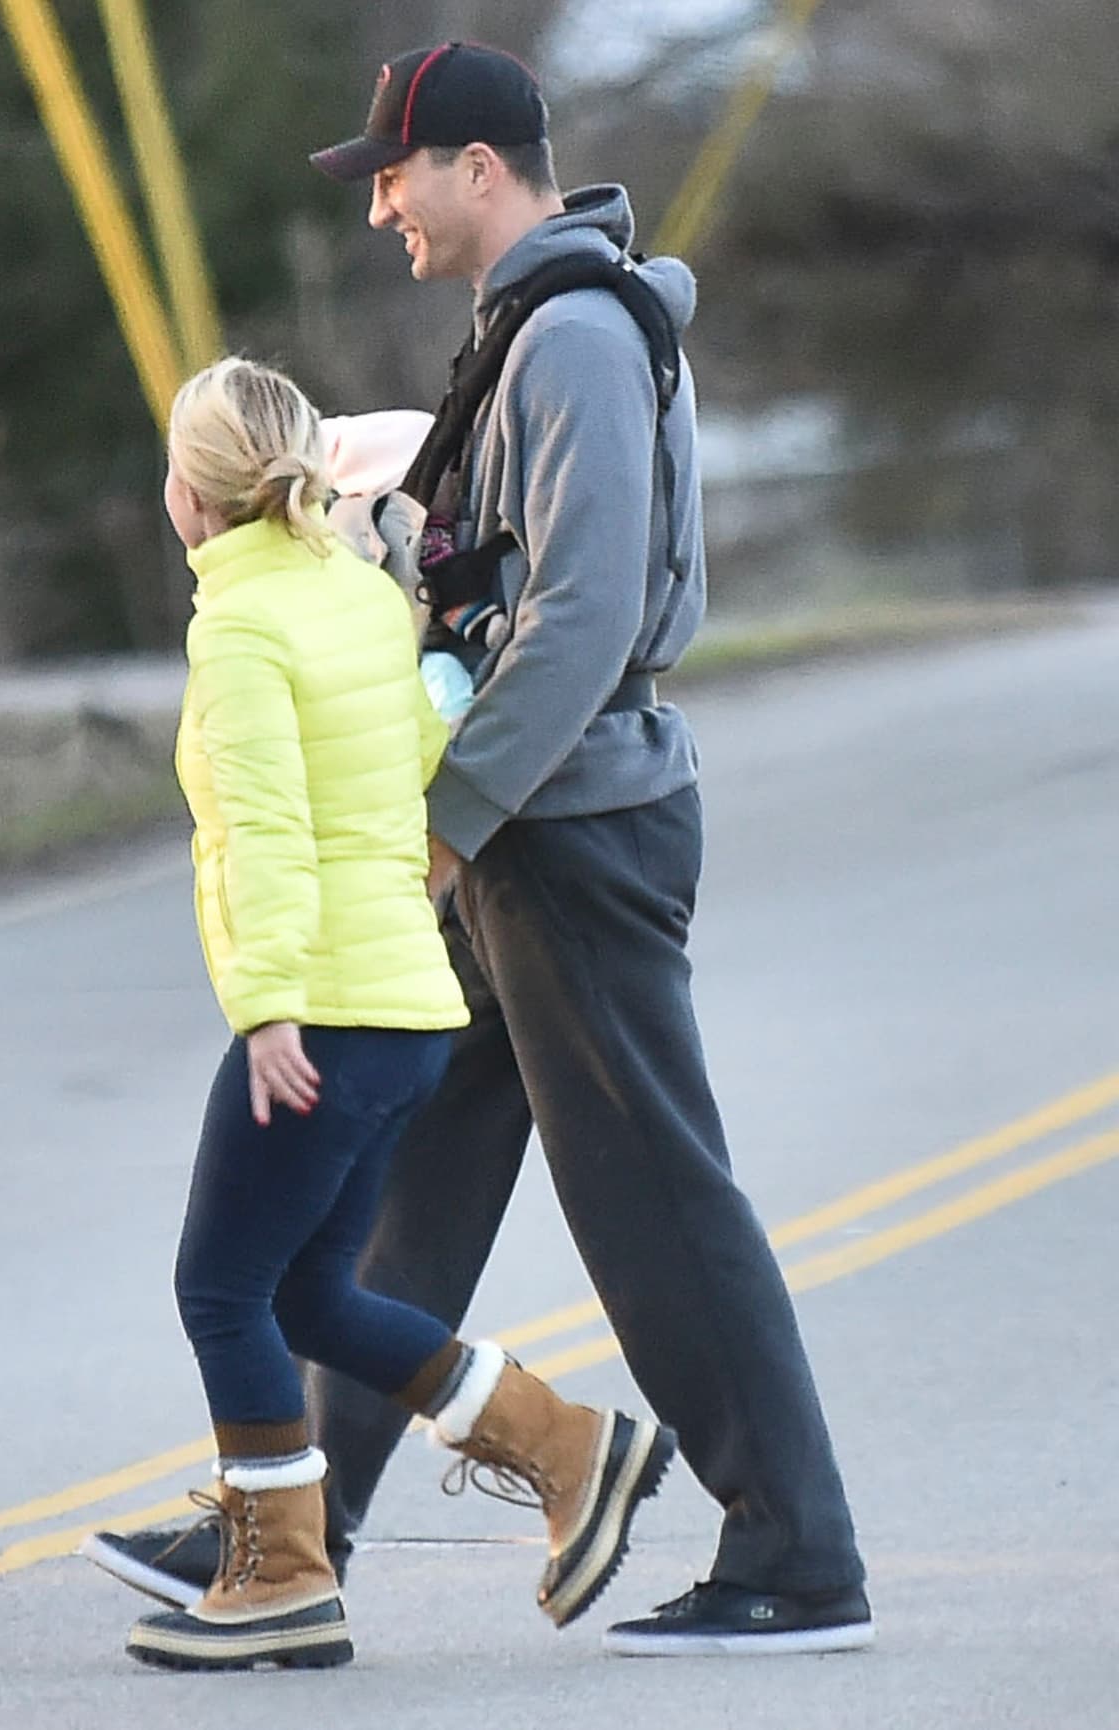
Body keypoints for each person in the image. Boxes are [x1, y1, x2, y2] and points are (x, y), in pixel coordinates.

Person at [87, 43, 874, 1657]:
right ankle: (285, 1524)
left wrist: (438, 827)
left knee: (654, 1198)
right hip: (518, 824)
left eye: (394, 172)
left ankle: (798, 1558)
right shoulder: (526, 329)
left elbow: (579, 622)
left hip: (566, 829)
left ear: (478, 165)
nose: (379, 205)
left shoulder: (576, 335)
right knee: (398, 1207)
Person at [116, 355, 675, 1673]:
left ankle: (284, 1578)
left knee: (221, 1287)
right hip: (408, 1004)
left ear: (191, 491)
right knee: (309, 1291)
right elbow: (423, 765)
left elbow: (262, 832)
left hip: (320, 1006)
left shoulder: (240, 627)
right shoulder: (361, 604)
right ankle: (567, 1445)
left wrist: (265, 1010)